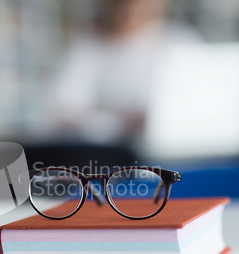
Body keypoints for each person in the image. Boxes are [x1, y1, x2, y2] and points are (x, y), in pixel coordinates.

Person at [54, 0, 203, 145]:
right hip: (108, 156)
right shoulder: (88, 45)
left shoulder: (182, 42)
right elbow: (66, 111)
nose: (131, 8)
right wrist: (123, 121)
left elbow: (199, 108)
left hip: (172, 153)